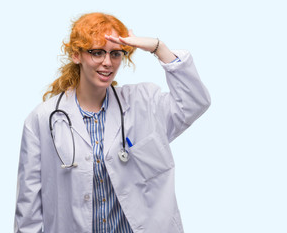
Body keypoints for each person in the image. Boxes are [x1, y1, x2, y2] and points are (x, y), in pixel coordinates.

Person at [14, 12, 210, 233]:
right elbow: (28, 210)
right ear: (76, 55)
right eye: (96, 52)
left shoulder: (144, 102)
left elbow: (194, 102)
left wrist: (158, 48)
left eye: (115, 54)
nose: (107, 62)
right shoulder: (42, 120)